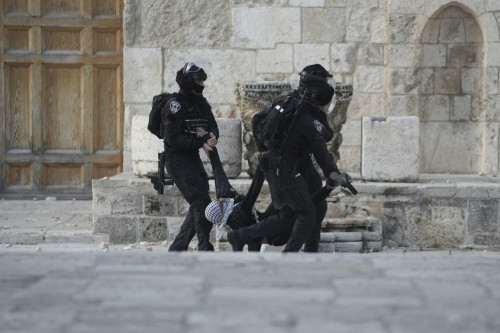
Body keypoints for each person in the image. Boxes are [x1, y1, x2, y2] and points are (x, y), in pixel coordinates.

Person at [227, 64, 351, 252]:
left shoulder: (291, 101)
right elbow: (321, 151)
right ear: (315, 91)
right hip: (284, 169)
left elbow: (257, 119)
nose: (328, 89)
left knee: (317, 208)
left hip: (296, 164)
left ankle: (310, 253)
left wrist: (265, 152)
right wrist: (333, 172)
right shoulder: (306, 118)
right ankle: (254, 242)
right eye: (324, 84)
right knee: (303, 214)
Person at [161, 58, 218, 251]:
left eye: (203, 81)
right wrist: (199, 142)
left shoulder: (201, 103)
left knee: (199, 203)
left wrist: (212, 137)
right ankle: (204, 246)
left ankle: (178, 247)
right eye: (199, 81)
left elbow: (212, 124)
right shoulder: (175, 105)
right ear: (188, 82)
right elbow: (172, 138)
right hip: (177, 159)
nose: (202, 85)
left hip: (192, 157)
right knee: (202, 203)